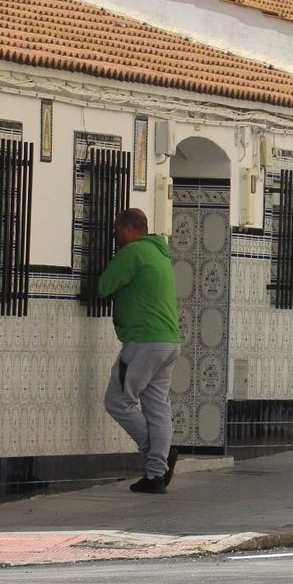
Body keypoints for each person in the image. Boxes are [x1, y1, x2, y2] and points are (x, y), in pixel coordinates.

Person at [99, 207, 181, 494]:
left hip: (143, 342)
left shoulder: (133, 253)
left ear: (130, 230)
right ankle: (155, 476)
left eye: (117, 231)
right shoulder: (160, 255)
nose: (116, 237)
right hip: (169, 342)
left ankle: (158, 456)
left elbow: (102, 286)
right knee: (158, 406)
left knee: (118, 402)